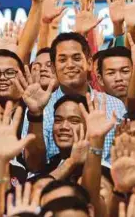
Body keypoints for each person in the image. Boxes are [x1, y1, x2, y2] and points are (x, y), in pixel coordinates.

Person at [42, 33, 127, 162]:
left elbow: (123, 157)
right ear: (53, 68)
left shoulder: (115, 106)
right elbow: (34, 164)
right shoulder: (42, 107)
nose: (70, 65)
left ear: (89, 63)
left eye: (76, 58)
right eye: (62, 60)